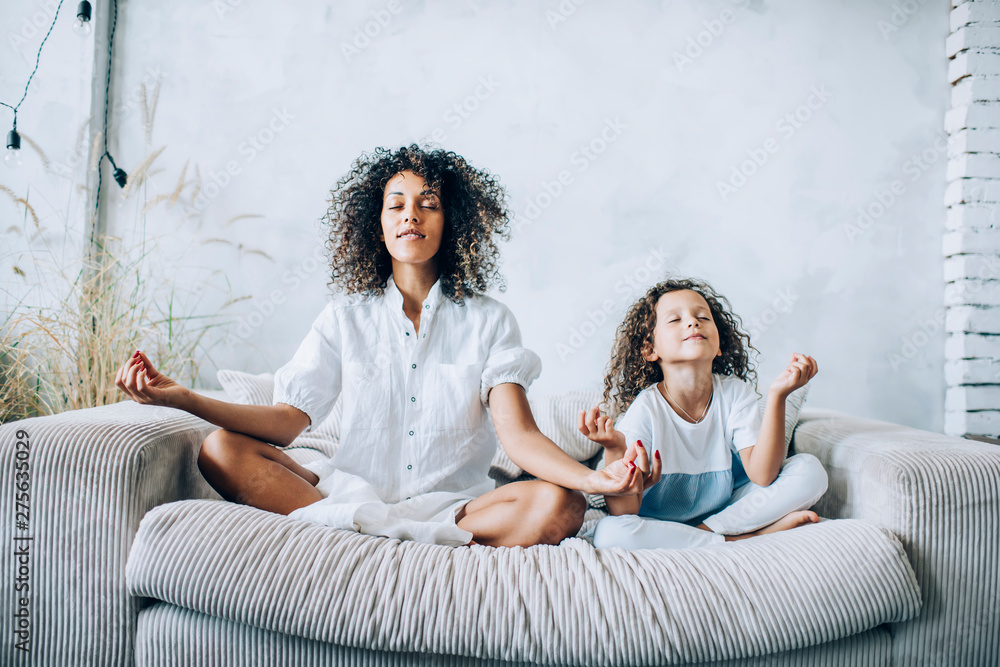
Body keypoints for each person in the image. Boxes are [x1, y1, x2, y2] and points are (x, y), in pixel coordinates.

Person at [115, 145, 645, 548]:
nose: (410, 214)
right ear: (380, 225)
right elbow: (288, 421)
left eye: (428, 204)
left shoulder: (490, 321)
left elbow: (520, 436)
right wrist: (183, 397)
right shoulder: (344, 316)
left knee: (560, 504)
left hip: (457, 509)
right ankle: (361, 525)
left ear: (451, 222)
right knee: (220, 448)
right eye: (397, 206)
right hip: (347, 495)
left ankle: (374, 537)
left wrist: (594, 477)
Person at [578, 277, 829, 550]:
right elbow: (624, 513)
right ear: (651, 350)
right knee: (611, 533)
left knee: (809, 470)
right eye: (675, 320)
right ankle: (741, 539)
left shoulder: (736, 393)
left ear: (719, 344)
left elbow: (763, 476)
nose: (693, 322)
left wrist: (778, 396)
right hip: (659, 523)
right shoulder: (646, 409)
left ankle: (706, 536)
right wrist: (614, 448)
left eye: (702, 317)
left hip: (722, 512)